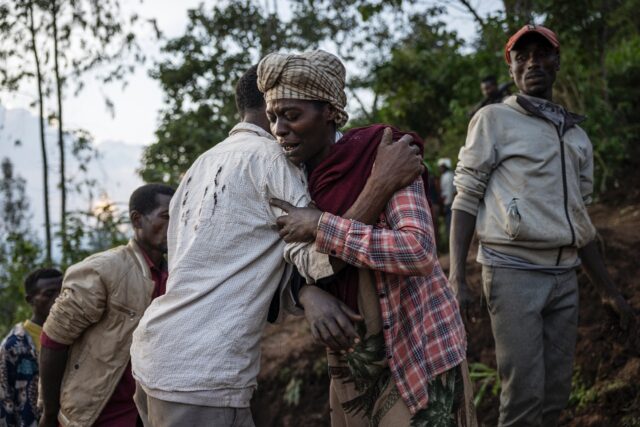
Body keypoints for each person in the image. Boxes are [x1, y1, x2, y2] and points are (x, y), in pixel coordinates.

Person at [129, 64, 422, 427]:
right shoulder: (273, 160)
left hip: (155, 353)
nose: (284, 128)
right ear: (272, 104)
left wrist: (303, 294)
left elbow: (235, 262)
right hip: (202, 372)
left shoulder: (199, 166)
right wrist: (378, 185)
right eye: (282, 114)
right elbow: (321, 261)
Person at [259, 50, 475, 427]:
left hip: (417, 341)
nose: (279, 129)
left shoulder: (383, 152)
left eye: (293, 116)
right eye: (274, 117)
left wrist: (321, 225)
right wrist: (306, 295)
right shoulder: (290, 179)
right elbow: (287, 262)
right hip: (353, 358)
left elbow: (418, 250)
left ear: (328, 111)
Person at [449, 24, 635, 427]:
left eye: (542, 54)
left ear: (557, 62)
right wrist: (457, 276)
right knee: (524, 398)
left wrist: (608, 292)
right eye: (522, 56)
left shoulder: (578, 136)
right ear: (511, 68)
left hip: (565, 276)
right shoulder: (493, 119)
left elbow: (581, 221)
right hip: (512, 273)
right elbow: (465, 198)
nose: (533, 62)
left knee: (556, 395)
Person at [38, 183, 174, 427]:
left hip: (151, 414)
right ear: (137, 220)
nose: (174, 225)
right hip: (97, 415)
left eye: (179, 216)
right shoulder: (104, 270)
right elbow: (53, 339)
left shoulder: (176, 275)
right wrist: (49, 413)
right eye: (165, 216)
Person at [0, 268, 62, 427]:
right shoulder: (13, 346)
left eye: (63, 292)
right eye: (49, 294)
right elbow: (4, 399)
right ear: (30, 300)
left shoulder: (74, 336)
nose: (58, 298)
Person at [438, 157, 455, 239]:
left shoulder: (445, 176)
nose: (440, 169)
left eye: (441, 167)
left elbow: (445, 192)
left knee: (449, 223)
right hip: (452, 202)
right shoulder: (452, 175)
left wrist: (444, 203)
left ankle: (449, 242)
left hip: (448, 203)